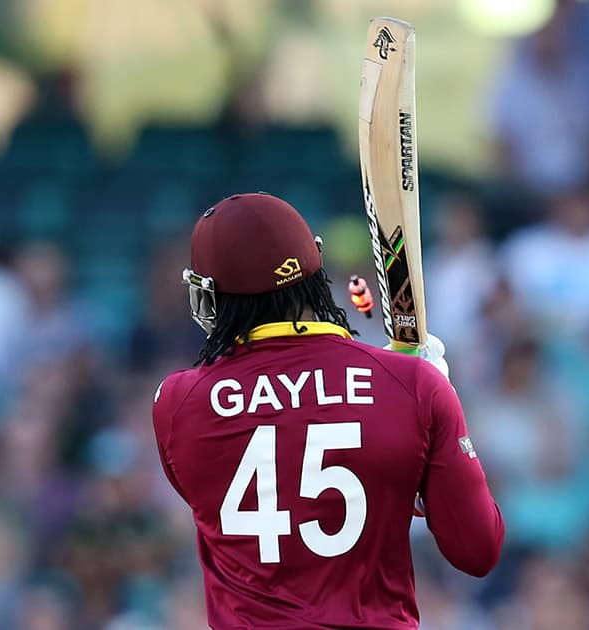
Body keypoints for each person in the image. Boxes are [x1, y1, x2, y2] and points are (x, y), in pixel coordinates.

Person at [151, 193, 504, 629]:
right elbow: (477, 550)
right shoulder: (411, 385)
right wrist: (433, 421)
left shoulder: (176, 401)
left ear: (213, 297)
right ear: (316, 269)